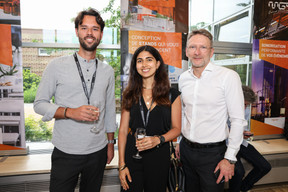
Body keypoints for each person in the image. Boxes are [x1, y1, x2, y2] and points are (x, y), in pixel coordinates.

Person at [34, 8, 116, 192]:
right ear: (77, 31)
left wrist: (110, 144)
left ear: (101, 34)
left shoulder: (107, 71)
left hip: (98, 151)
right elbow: (39, 104)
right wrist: (70, 112)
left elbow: (110, 109)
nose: (89, 33)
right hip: (65, 152)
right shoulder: (56, 66)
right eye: (84, 28)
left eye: (95, 29)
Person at [177, 29, 246, 192]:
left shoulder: (228, 77)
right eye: (193, 47)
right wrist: (180, 141)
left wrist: (230, 159)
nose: (197, 52)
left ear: (212, 52)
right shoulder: (184, 78)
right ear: (186, 51)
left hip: (213, 155)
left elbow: (238, 120)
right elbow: (184, 112)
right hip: (186, 151)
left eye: (203, 47)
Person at [118, 45, 181, 192]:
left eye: (149, 60)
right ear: (135, 65)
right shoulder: (129, 94)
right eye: (139, 61)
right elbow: (122, 131)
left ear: (158, 64)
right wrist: (122, 165)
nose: (144, 64)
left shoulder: (172, 95)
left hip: (159, 154)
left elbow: (177, 128)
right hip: (132, 153)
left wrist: (158, 139)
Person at [229, 85, 271, 192]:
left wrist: (243, 133)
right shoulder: (223, 109)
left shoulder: (246, 111)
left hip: (241, 143)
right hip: (226, 145)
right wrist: (236, 133)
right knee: (238, 172)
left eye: (247, 105)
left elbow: (242, 128)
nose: (245, 107)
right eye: (244, 104)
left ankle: (243, 188)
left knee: (265, 166)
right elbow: (220, 131)